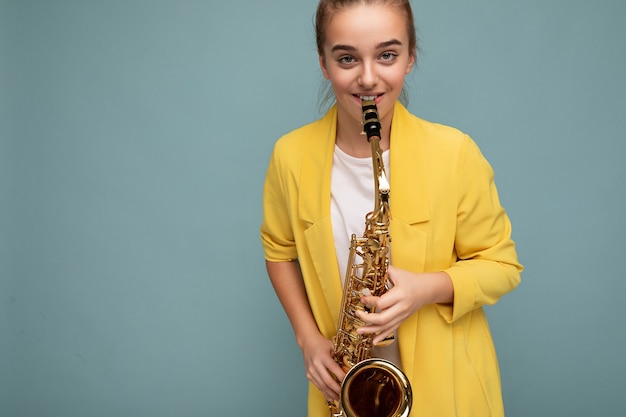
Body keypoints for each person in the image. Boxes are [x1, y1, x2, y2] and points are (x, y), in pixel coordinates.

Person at [260, 0, 523, 416]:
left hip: (448, 386)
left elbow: (503, 266)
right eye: (347, 58)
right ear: (324, 63)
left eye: (387, 54)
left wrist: (426, 289)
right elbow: (279, 251)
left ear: (410, 56)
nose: (368, 78)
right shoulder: (289, 156)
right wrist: (307, 339)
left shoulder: (455, 153)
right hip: (346, 389)